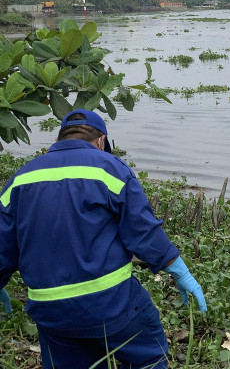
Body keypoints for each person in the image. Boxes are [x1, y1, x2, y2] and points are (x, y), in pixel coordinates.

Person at [0, 109, 207, 369]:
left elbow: (3, 244)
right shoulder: (110, 168)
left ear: (57, 141)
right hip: (111, 304)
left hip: (49, 310)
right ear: (101, 142)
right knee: (150, 358)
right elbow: (142, 231)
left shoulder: (20, 179)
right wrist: (178, 270)